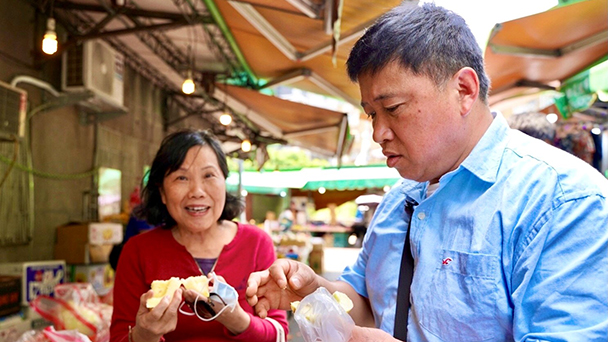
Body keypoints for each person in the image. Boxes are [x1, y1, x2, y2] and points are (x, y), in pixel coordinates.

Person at [246, 3, 608, 342]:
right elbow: (369, 303)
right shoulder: (399, 200)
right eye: (372, 113)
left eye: (393, 108)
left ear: (464, 90)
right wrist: (314, 289)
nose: (378, 133)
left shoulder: (562, 200)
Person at [110, 129, 288, 342]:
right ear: (162, 193)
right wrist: (144, 335)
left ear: (224, 181)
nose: (197, 191)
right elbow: (119, 336)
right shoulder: (138, 251)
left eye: (208, 175)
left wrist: (236, 319)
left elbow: (279, 334)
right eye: (181, 177)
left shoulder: (256, 243)